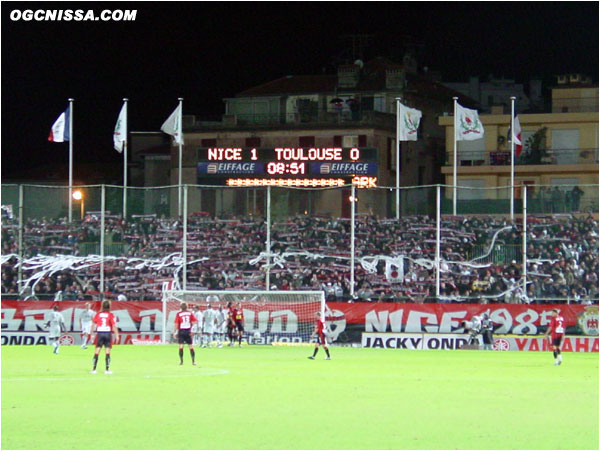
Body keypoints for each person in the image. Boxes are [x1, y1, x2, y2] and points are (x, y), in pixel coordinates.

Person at [90, 300, 119, 374]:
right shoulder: (110, 315)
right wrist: (117, 335)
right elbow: (114, 325)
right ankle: (107, 370)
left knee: (97, 351)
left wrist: (91, 334)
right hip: (107, 333)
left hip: (100, 333)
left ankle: (94, 369)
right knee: (107, 352)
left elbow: (93, 324)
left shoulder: (98, 314)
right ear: (109, 306)